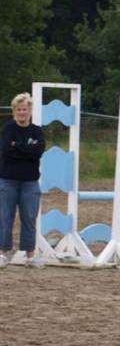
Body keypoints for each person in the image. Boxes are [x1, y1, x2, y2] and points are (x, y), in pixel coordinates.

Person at [0, 93, 46, 268]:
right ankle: (3, 254)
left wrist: (17, 146)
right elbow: (5, 150)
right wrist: (27, 149)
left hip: (30, 182)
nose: (22, 113)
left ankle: (30, 255)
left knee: (29, 218)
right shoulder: (7, 130)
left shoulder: (37, 131)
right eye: (18, 110)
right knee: (5, 218)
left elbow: (39, 150)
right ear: (14, 111)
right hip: (7, 181)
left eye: (24, 109)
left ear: (30, 111)